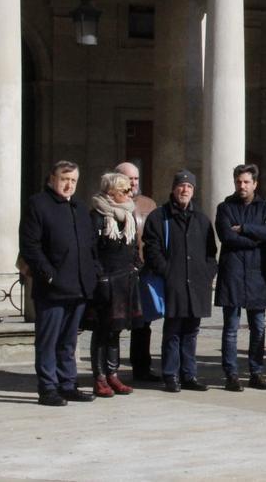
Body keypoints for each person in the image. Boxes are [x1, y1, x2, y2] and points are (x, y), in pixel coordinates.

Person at [20, 161, 100, 406]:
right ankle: (48, 388)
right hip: (52, 288)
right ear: (52, 179)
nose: (69, 184)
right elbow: (30, 246)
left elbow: (90, 245)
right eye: (65, 179)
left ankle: (67, 384)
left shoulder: (79, 207)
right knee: (48, 340)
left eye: (74, 180)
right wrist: (48, 273)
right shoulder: (38, 204)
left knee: (69, 341)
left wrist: (93, 272)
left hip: (78, 287)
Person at [142, 170, 218, 393]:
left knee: (192, 331)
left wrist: (207, 273)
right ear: (174, 189)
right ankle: (170, 374)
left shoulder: (202, 219)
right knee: (173, 331)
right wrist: (167, 272)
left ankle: (189, 374)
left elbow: (211, 253)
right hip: (173, 283)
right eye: (181, 186)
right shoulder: (159, 217)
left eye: (189, 187)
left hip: (197, 284)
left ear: (193, 191)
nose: (185, 190)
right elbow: (152, 249)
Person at [214, 164, 266, 392]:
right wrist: (255, 238)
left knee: (258, 327)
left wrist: (246, 228)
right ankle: (231, 374)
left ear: (255, 184)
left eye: (247, 182)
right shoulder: (225, 208)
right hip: (232, 273)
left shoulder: (265, 208)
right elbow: (227, 237)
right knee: (231, 328)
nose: (242, 186)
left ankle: (256, 372)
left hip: (258, 275)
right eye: (239, 181)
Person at [87, 172, 141, 397]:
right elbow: (91, 249)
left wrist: (136, 264)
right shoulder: (97, 215)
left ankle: (113, 374)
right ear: (111, 192)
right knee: (101, 330)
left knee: (116, 331)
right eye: (124, 190)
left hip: (125, 280)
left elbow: (133, 244)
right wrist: (100, 275)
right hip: (105, 281)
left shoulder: (128, 213)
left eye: (129, 190)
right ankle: (99, 377)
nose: (130, 193)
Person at [115, 161, 159, 383]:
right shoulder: (108, 204)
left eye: (136, 178)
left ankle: (142, 367)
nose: (133, 183)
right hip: (118, 272)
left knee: (143, 323)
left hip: (143, 271)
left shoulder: (149, 204)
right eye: (128, 178)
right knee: (113, 323)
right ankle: (108, 371)